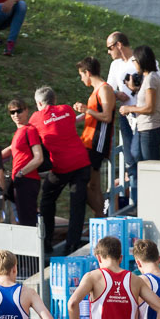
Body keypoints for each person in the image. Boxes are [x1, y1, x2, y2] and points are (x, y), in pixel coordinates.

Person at [29, 86, 94, 254]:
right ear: (54, 99)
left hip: (61, 166)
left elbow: (30, 136)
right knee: (77, 204)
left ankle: (46, 241)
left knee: (47, 200)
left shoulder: (36, 118)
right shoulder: (67, 110)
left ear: (39, 103)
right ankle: (72, 244)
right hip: (81, 162)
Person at [74, 57, 115, 216]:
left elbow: (106, 117)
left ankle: (100, 215)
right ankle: (99, 218)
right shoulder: (97, 90)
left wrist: (86, 110)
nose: (81, 79)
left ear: (88, 72)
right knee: (93, 184)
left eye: (81, 75)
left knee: (87, 183)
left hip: (97, 141)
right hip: (89, 141)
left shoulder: (104, 89)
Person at [106, 31, 139, 200]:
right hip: (125, 116)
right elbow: (108, 88)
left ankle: (145, 202)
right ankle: (135, 201)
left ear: (119, 45)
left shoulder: (140, 60)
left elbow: (155, 86)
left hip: (143, 116)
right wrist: (118, 94)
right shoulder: (115, 66)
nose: (108, 52)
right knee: (130, 161)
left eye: (110, 48)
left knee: (144, 160)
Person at [120, 45, 160, 168]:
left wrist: (129, 108)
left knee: (149, 166)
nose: (133, 64)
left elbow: (150, 108)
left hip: (150, 128)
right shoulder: (149, 77)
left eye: (134, 61)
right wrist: (135, 90)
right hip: (145, 127)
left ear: (141, 60)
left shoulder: (151, 79)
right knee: (137, 157)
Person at [0, 98, 44, 227]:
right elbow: (10, 149)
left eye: (19, 111)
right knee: (21, 217)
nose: (16, 115)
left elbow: (38, 157)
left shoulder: (29, 130)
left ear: (26, 111)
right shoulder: (19, 132)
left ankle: (34, 246)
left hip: (27, 179)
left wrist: (22, 172)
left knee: (27, 220)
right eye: (12, 112)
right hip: (19, 180)